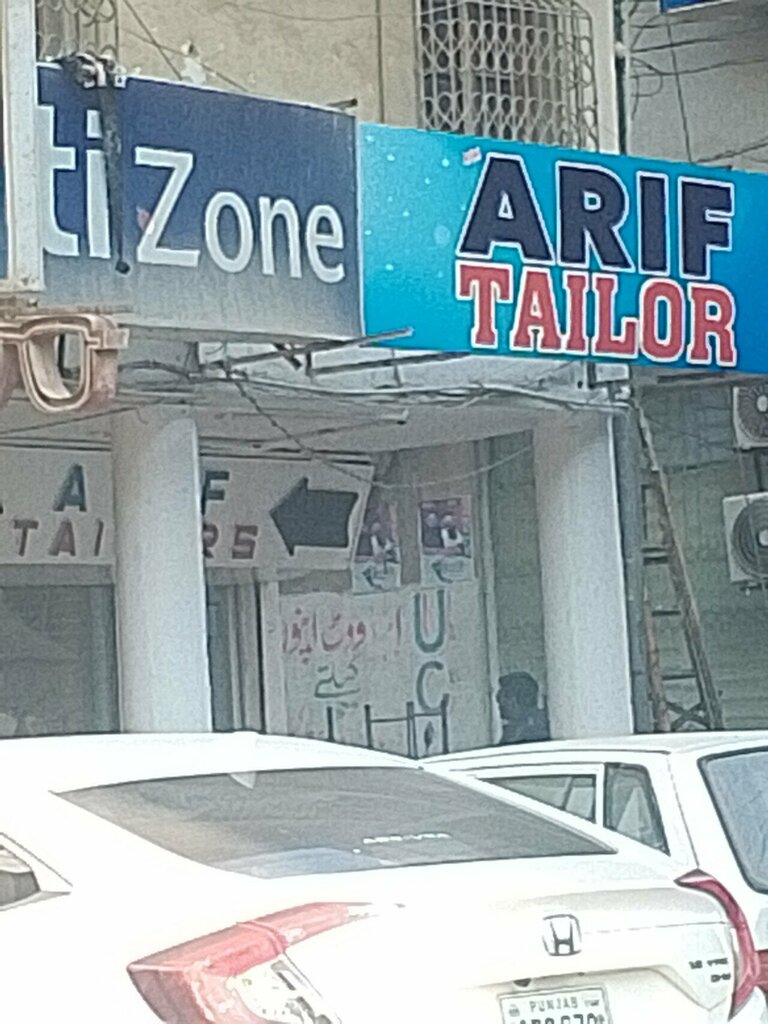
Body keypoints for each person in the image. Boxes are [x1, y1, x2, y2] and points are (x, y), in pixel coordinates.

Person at [496, 671, 550, 744]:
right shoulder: (511, 731)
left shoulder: (538, 729)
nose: (500, 702)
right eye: (499, 697)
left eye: (506, 696)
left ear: (523, 698)